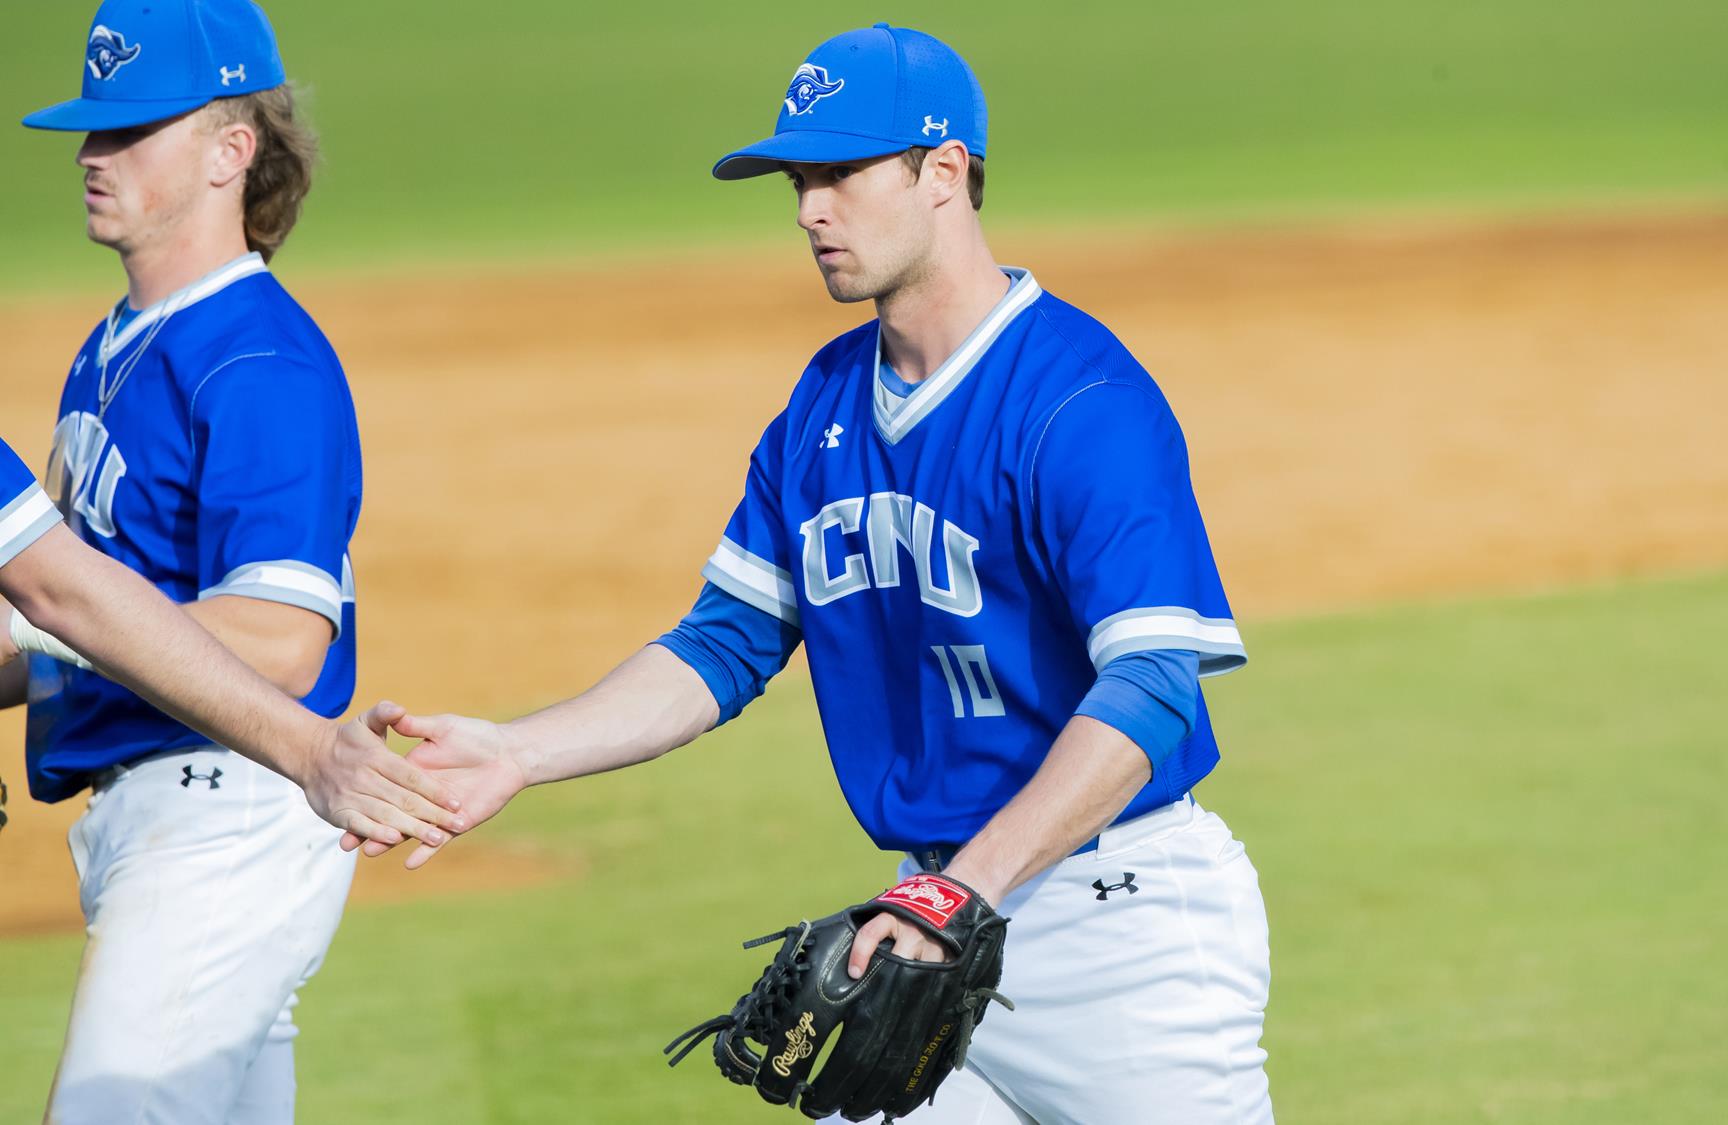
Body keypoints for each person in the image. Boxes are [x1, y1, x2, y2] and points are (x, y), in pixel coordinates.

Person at [362, 24, 1273, 1123]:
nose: (808, 211)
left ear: (943, 173)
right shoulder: (824, 404)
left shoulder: (1078, 400)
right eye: (798, 181)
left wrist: (954, 892)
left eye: (838, 175)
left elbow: (1153, 688)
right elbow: (724, 643)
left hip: (1117, 930)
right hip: (928, 926)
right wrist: (518, 749)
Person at [14, 1, 462, 1120]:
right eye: (91, 131)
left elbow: (281, 640)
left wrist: (51, 618)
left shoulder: (259, 363)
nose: (90, 155)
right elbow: (63, 629)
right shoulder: (112, 348)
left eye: (129, 131)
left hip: (226, 816)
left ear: (231, 151)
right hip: (149, 818)